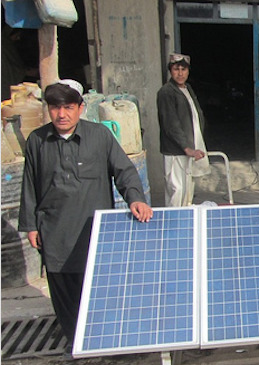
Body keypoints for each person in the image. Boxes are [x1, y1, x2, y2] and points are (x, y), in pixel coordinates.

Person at [18, 80, 153, 358]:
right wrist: (30, 225)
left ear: (81, 108)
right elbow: (29, 185)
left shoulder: (99, 137)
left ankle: (104, 340)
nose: (62, 114)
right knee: (65, 293)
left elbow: (124, 171)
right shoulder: (37, 141)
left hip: (94, 231)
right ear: (48, 110)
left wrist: (136, 198)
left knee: (98, 289)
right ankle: (76, 343)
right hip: (55, 232)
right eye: (55, 108)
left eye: (68, 107)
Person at [157, 52, 210, 206]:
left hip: (188, 149)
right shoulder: (166, 92)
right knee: (177, 190)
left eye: (183, 69)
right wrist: (187, 148)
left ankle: (186, 223)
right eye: (176, 69)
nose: (180, 73)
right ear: (170, 71)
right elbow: (170, 124)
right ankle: (173, 224)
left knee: (187, 191)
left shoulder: (187, 89)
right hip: (176, 151)